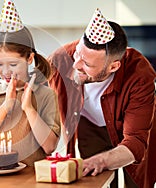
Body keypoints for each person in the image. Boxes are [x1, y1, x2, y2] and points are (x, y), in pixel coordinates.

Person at [47, 8, 156, 187]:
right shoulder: (61, 59)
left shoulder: (139, 74)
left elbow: (135, 141)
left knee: (137, 181)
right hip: (89, 126)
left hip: (133, 128)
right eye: (77, 54)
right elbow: (31, 88)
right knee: (94, 179)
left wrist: (101, 160)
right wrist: (2, 86)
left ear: (113, 67)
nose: (76, 65)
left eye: (87, 64)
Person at [0, 0, 61, 166]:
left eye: (13, 64)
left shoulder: (46, 95)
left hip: (32, 177)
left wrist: (28, 107)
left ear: (29, 58)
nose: (5, 72)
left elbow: (49, 147)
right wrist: (6, 105)